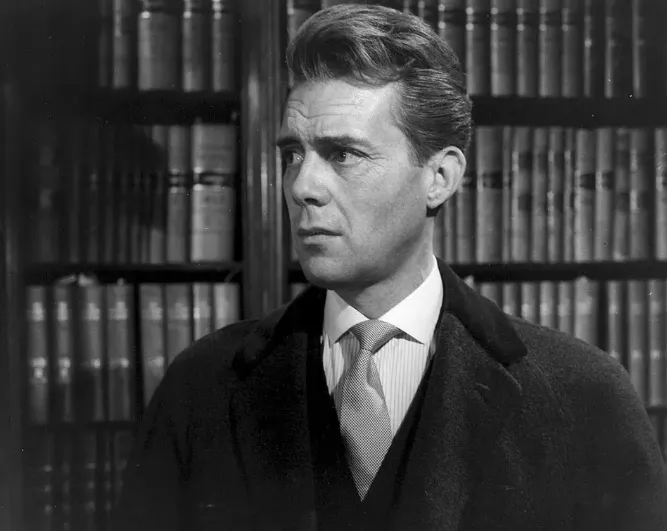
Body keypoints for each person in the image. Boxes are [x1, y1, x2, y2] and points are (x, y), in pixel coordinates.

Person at [115, 4, 667, 530]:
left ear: (440, 178)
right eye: (292, 154)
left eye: (344, 154)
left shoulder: (583, 397)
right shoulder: (201, 387)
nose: (302, 186)